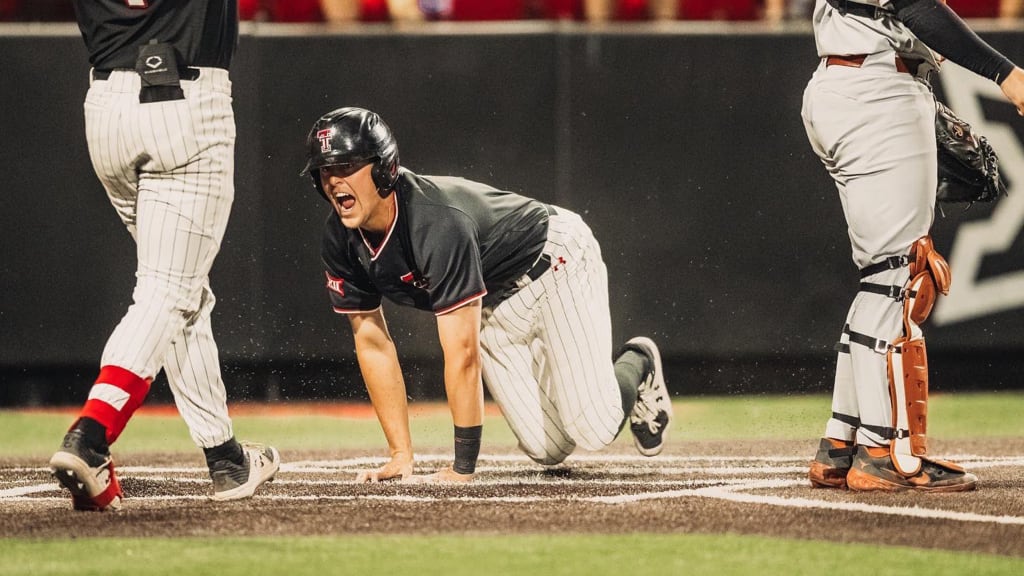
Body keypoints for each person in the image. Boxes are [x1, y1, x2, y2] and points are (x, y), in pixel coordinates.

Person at [301, 107, 673, 483]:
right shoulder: (340, 238)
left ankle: (638, 361)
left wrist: (463, 467)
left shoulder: (435, 220)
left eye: (346, 166)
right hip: (497, 300)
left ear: (384, 167)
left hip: (556, 262)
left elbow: (463, 354)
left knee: (594, 427)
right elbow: (372, 343)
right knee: (547, 451)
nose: (333, 180)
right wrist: (401, 454)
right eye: (325, 170)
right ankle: (565, 366)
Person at [49, 0, 280, 512]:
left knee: (180, 289)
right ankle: (92, 435)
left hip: (107, 108)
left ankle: (225, 458)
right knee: (167, 290)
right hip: (186, 103)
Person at [801, 0, 1024, 492]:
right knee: (906, 276)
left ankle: (841, 443)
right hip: (875, 91)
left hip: (848, 84)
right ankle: (888, 454)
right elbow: (916, 5)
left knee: (883, 279)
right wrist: (1005, 73)